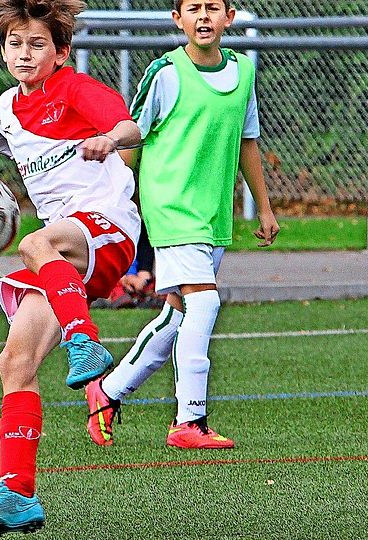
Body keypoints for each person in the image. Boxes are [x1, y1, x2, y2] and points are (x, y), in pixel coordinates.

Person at [0, 0, 142, 535]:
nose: (24, 53)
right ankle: (16, 494)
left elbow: (131, 126)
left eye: (37, 43)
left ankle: (85, 340)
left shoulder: (77, 89)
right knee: (14, 361)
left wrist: (109, 139)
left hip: (106, 228)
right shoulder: (8, 107)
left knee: (35, 242)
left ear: (60, 51)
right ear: (3, 50)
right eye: (15, 43)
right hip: (64, 258)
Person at [83, 0, 280, 449]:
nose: (204, 17)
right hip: (171, 208)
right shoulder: (166, 72)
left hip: (212, 214)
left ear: (231, 16)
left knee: (177, 313)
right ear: (179, 19)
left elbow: (248, 141)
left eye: (214, 8)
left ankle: (108, 391)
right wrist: (112, 174)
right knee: (205, 305)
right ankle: (189, 420)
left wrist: (264, 207)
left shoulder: (243, 74)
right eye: (194, 8)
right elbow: (134, 133)